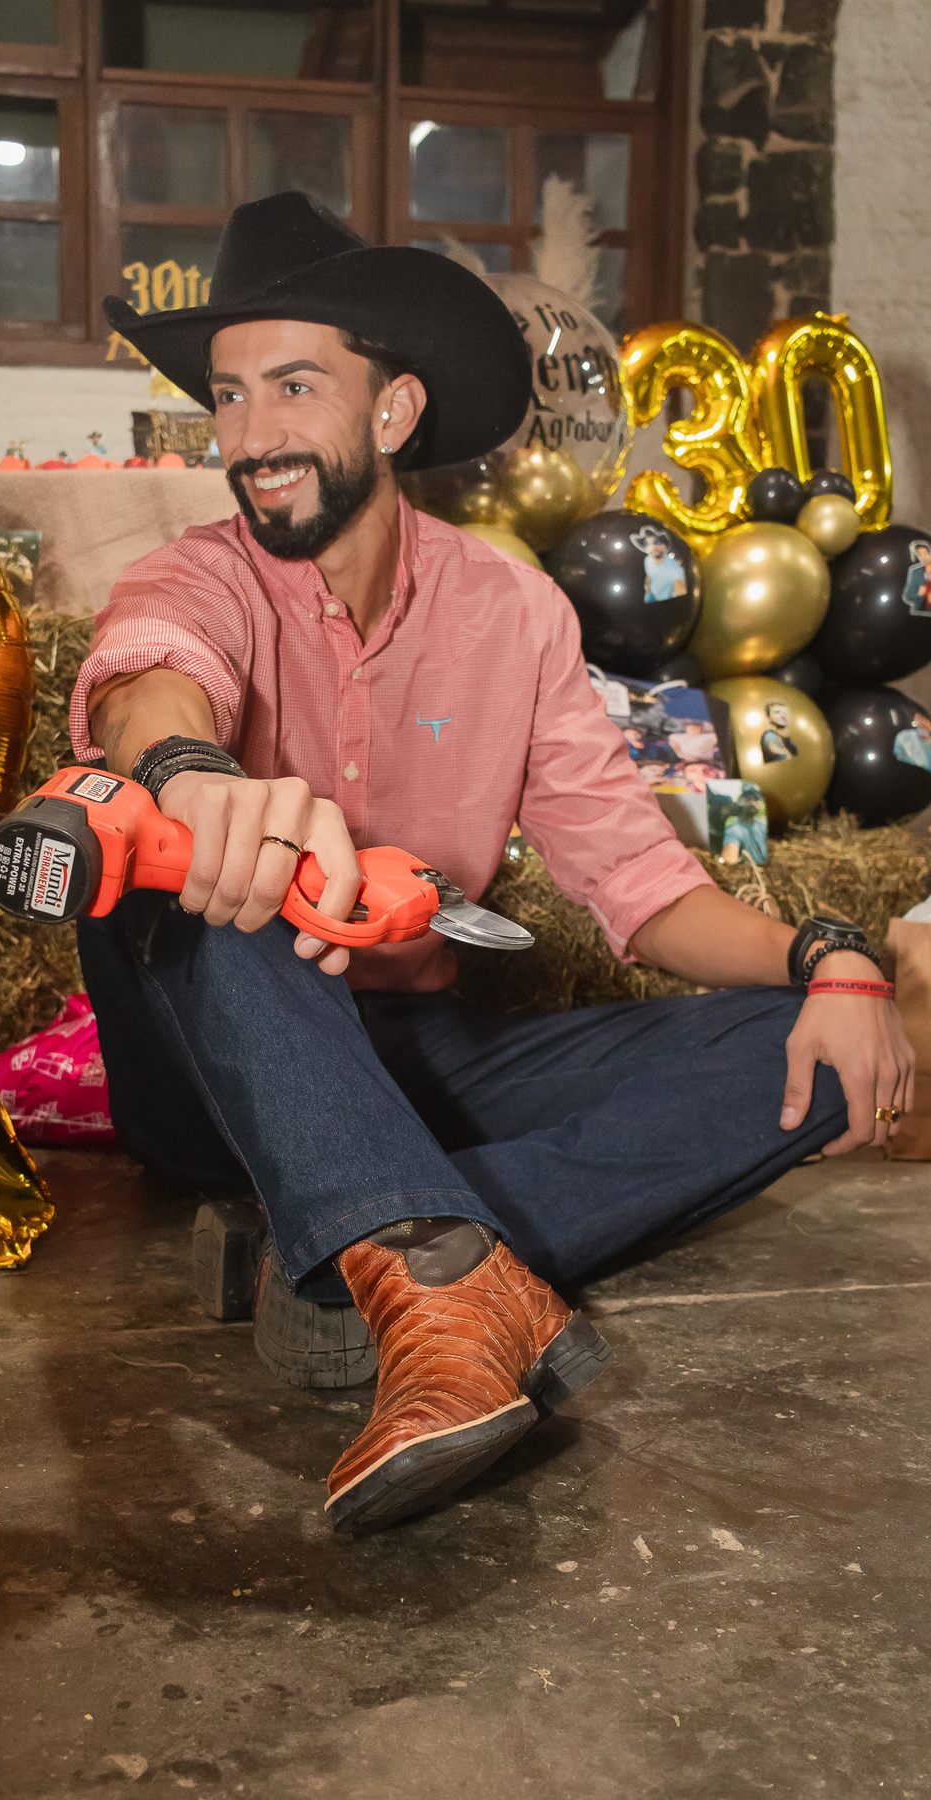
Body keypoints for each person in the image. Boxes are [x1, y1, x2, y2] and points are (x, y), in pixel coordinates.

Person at [73, 192, 914, 1537]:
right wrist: (189, 772)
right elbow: (149, 677)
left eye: (294, 386)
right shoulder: (198, 576)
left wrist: (831, 956)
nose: (251, 435)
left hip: (419, 1048)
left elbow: (643, 888)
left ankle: (342, 1255)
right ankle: (422, 1287)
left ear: (394, 412)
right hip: (211, 1060)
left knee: (801, 1051)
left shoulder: (512, 610)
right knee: (200, 870)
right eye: (229, 396)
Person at [630, 523, 687, 601]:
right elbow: (649, 575)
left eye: (656, 542)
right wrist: (647, 589)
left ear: (664, 545)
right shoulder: (648, 560)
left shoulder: (675, 569)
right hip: (651, 596)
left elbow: (680, 591)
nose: (653, 547)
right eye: (647, 543)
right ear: (645, 548)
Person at [902, 541, 931, 615]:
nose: (923, 557)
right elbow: (908, 596)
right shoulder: (915, 571)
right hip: (917, 613)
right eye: (920, 555)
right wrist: (918, 594)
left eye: (925, 553)